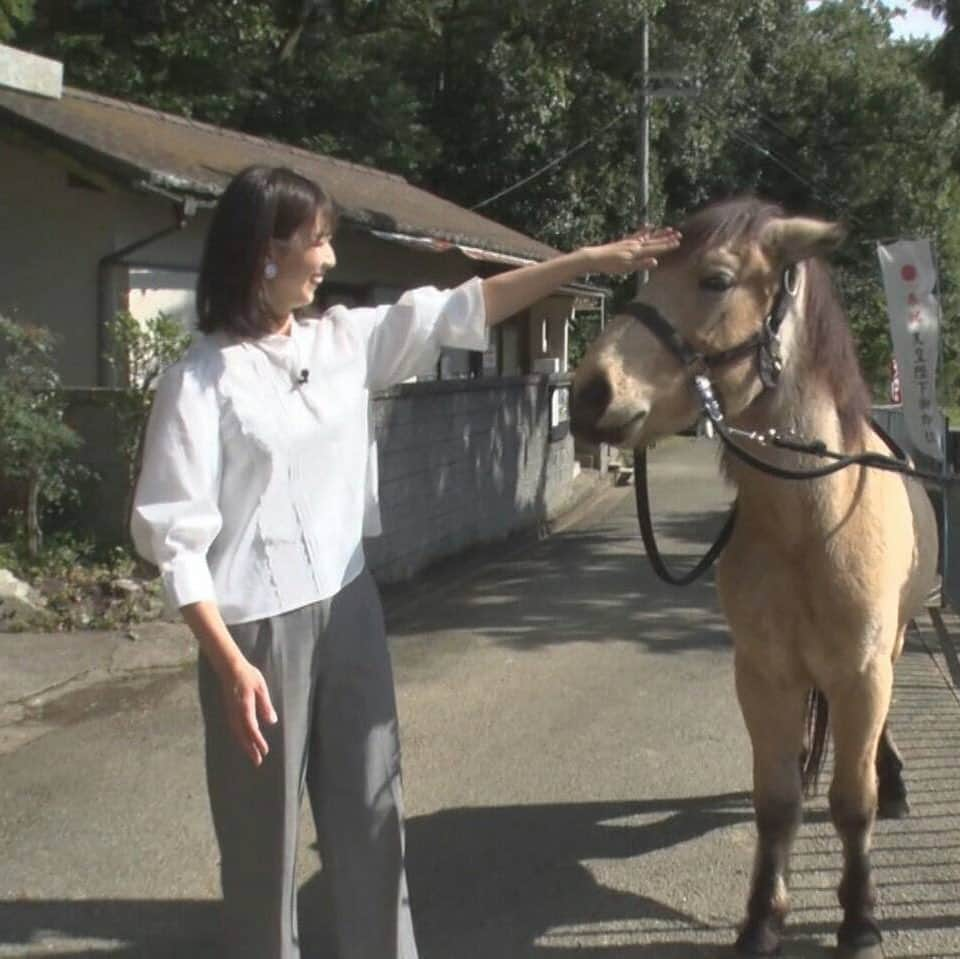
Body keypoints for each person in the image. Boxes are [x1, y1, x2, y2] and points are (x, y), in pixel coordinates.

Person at [130, 164, 679, 959]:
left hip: (349, 605)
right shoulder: (198, 381)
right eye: (313, 240)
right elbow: (174, 534)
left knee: (371, 823)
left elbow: (469, 305)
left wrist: (586, 259)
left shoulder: (341, 341)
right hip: (251, 633)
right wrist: (225, 661)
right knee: (261, 850)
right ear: (262, 254)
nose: (326, 257)